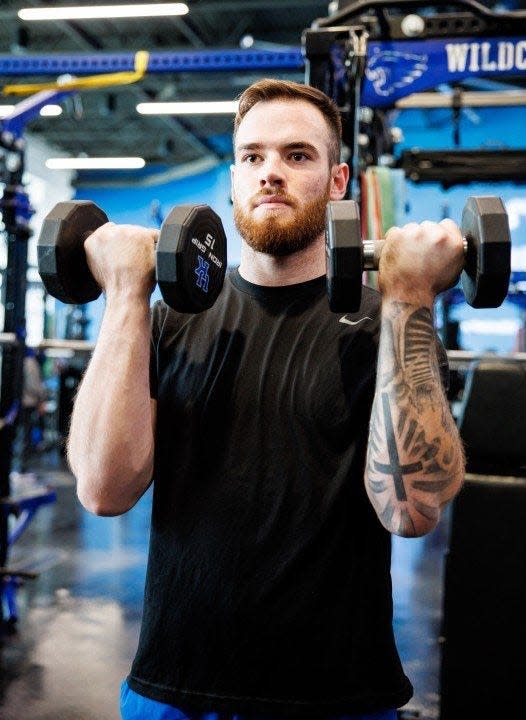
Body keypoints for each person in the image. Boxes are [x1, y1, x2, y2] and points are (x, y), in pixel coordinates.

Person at [66, 78, 465, 720]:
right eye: (252, 156)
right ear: (232, 177)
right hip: (173, 688)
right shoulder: (167, 321)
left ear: (338, 181)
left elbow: (412, 512)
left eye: (296, 155)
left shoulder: (384, 324)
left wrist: (411, 298)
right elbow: (104, 491)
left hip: (338, 698)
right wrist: (124, 296)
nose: (270, 173)